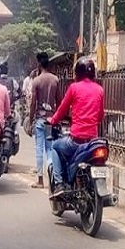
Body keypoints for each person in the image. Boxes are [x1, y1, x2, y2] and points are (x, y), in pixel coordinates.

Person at [48, 57, 105, 197]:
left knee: (55, 146)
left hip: (76, 141)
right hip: (92, 142)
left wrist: (53, 120)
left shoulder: (74, 88)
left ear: (78, 72)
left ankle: (60, 183)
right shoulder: (100, 90)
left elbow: (62, 109)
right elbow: (100, 116)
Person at [28, 52, 60, 188]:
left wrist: (30, 120)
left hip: (40, 119)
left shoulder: (36, 81)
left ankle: (40, 180)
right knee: (50, 150)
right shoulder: (55, 80)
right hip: (51, 119)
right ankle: (53, 179)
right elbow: (59, 101)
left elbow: (33, 103)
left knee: (39, 149)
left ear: (39, 64)